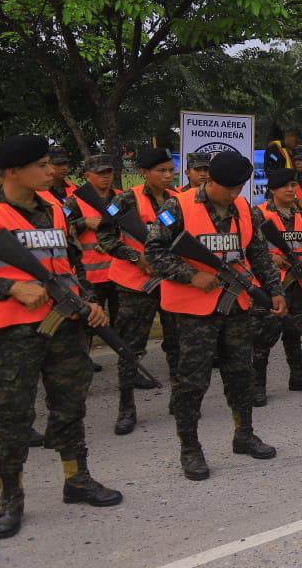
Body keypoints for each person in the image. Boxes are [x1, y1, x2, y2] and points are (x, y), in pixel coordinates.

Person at [0, 135, 121, 538]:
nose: (51, 171)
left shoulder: (54, 207)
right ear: (13, 171)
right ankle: (10, 498)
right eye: (41, 165)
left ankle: (77, 480)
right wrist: (9, 289)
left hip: (64, 326)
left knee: (70, 406)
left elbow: (69, 264)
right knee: (14, 417)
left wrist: (88, 301)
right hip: (10, 334)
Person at [144, 152, 285, 480]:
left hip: (236, 307)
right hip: (194, 311)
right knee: (192, 382)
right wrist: (190, 275)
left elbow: (259, 253)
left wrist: (275, 289)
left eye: (239, 188)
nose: (234, 194)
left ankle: (244, 434)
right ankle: (190, 449)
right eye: (228, 188)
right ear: (209, 180)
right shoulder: (177, 207)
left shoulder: (245, 211)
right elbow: (153, 252)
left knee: (241, 373)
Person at [99, 148, 180, 436]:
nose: (169, 175)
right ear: (145, 173)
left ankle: (179, 400)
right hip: (135, 285)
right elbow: (105, 236)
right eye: (162, 171)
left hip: (171, 283)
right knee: (130, 347)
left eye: (171, 170)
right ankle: (126, 409)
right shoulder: (125, 200)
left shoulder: (178, 200)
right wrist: (136, 258)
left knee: (177, 344)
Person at [252, 169, 302, 406]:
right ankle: (258, 386)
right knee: (264, 336)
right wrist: (271, 258)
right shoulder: (258, 214)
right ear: (273, 190)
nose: (291, 190)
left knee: (295, 330)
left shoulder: (300, 214)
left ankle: (297, 377)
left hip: (298, 281)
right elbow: (245, 248)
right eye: (286, 186)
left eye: (294, 185)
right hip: (271, 285)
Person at [71, 155, 121, 337]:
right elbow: (60, 227)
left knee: (121, 321)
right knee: (89, 324)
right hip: (91, 276)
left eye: (108, 172)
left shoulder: (121, 198)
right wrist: (84, 223)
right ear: (87, 176)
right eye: (100, 173)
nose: (105, 177)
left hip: (119, 273)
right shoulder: (75, 200)